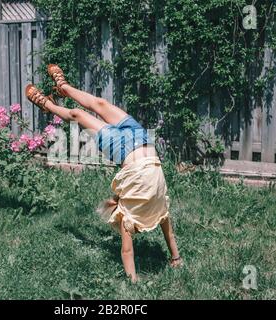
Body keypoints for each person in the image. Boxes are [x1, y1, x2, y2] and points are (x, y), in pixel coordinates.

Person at [26, 64, 182, 283]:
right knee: (101, 104)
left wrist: (133, 283)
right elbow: (169, 233)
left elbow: (127, 253)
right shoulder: (161, 209)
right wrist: (176, 258)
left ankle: (48, 104)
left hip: (124, 149)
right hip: (144, 139)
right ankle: (63, 87)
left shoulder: (129, 218)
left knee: (77, 114)